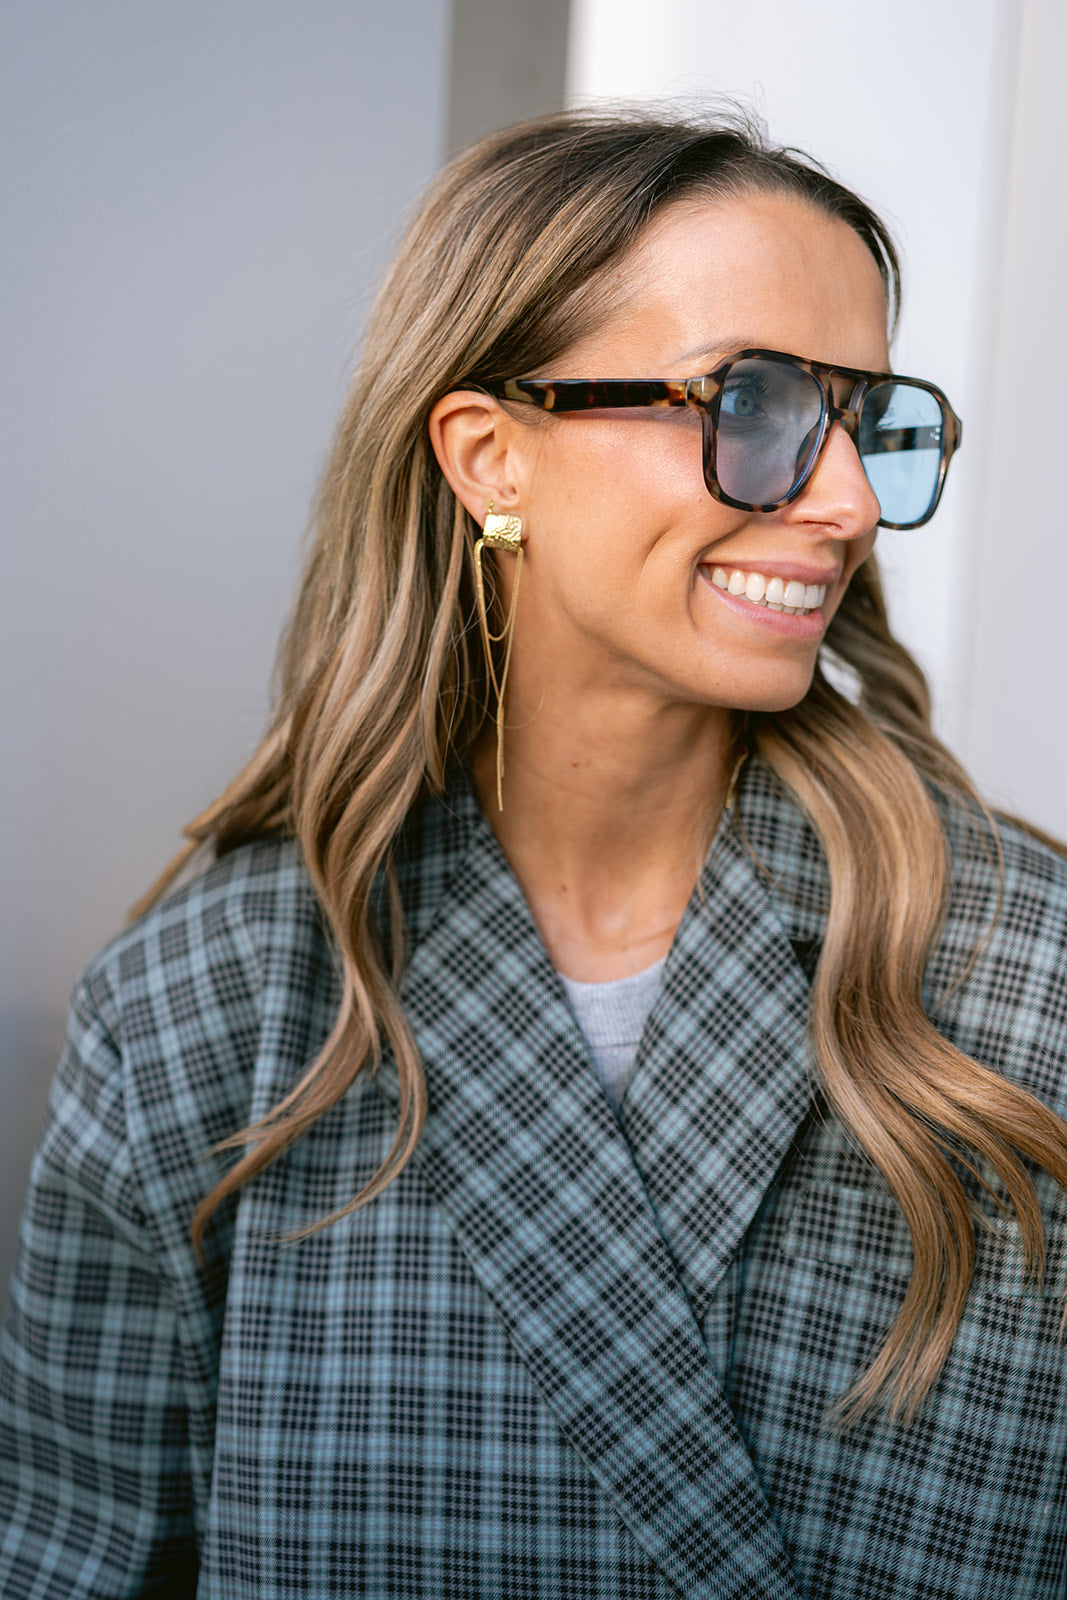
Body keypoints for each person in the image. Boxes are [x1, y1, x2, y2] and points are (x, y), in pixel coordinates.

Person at [2, 108, 1066, 1600]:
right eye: (754, 405)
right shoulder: (202, 1016)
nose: (842, 505)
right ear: (493, 457)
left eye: (868, 423)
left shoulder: (1025, 984)